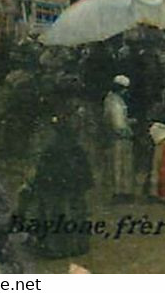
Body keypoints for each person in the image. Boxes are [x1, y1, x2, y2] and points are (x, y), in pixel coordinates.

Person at [21, 114, 95, 258]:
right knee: (75, 212)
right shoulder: (74, 147)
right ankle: (78, 245)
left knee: (57, 214)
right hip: (71, 185)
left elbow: (44, 171)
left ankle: (58, 248)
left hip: (57, 186)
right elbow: (84, 171)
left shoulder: (53, 148)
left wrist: (37, 183)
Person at [103, 74, 135, 201]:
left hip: (118, 134)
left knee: (120, 164)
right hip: (120, 135)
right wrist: (126, 129)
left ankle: (122, 191)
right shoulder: (114, 101)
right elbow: (117, 121)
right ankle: (121, 192)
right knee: (120, 164)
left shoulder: (112, 99)